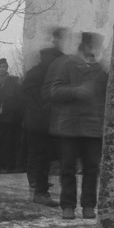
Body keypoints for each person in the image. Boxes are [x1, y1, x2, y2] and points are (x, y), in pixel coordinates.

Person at [45, 32, 108, 220]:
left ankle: (89, 205)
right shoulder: (66, 66)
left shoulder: (100, 71)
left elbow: (106, 97)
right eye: (92, 47)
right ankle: (68, 206)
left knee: (91, 168)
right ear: (84, 48)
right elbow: (54, 91)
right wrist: (77, 91)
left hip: (92, 127)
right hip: (69, 126)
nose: (95, 51)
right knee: (67, 168)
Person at [21, 32, 65, 206]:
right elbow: (26, 95)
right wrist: (40, 108)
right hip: (39, 123)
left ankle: (41, 190)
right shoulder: (43, 72)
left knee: (43, 157)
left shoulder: (41, 71)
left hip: (45, 122)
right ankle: (40, 192)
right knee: (41, 156)